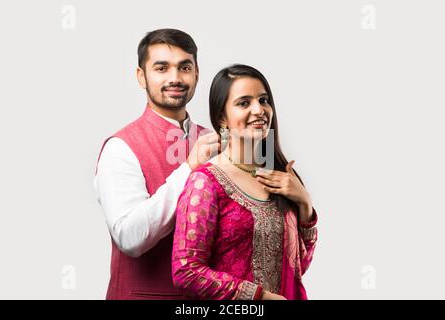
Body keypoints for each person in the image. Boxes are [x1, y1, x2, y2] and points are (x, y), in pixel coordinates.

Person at [171, 64, 318, 300]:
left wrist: (304, 204)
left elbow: (298, 267)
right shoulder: (206, 183)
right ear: (222, 117)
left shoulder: (280, 177)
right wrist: (260, 298)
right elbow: (186, 271)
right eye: (243, 103)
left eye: (263, 100)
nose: (259, 110)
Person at [93, 29, 219, 299]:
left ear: (197, 73)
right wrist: (190, 167)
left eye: (184, 67)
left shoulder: (213, 140)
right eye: (161, 68)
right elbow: (130, 237)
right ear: (142, 76)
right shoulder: (120, 147)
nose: (175, 78)